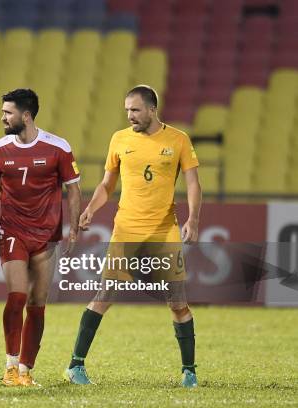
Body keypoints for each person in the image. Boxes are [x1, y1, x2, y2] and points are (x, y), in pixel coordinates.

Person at [64, 85, 201, 388]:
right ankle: (75, 365)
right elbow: (106, 184)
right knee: (104, 295)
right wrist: (89, 210)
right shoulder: (119, 139)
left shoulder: (178, 140)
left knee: (177, 302)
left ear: (152, 109)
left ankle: (189, 371)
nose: (130, 116)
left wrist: (193, 218)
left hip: (165, 230)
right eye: (127, 110)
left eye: (135, 110)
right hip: (126, 229)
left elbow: (193, 183)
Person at [0, 88, 82, 387]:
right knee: (17, 294)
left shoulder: (58, 148)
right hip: (12, 230)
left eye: (7, 113)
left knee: (38, 302)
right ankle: (10, 365)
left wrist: (73, 227)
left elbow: (73, 189)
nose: (3, 118)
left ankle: (25, 369)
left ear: (26, 115)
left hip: (47, 234)